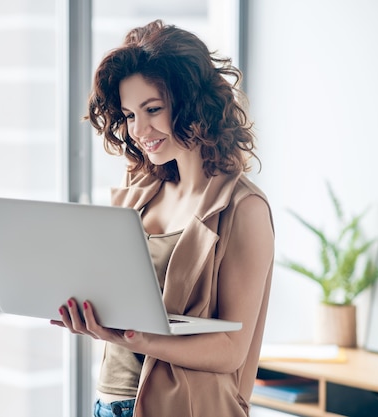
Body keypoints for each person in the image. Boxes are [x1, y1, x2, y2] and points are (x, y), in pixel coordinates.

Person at [51, 19, 274, 417]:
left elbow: (230, 351)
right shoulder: (140, 190)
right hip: (110, 402)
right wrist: (88, 316)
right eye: (129, 114)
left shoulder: (244, 209)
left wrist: (135, 339)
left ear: (192, 104)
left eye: (152, 109)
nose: (139, 129)